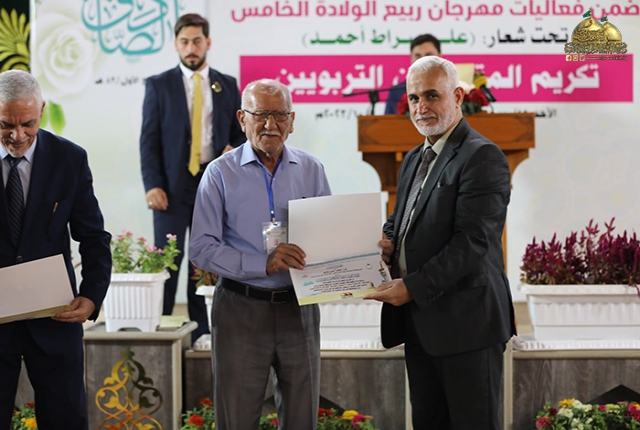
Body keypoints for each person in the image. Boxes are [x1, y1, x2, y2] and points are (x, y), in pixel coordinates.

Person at [365, 56, 516, 429]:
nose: (421, 107)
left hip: (468, 326)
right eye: (414, 98)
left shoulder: (482, 156)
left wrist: (411, 287)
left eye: (432, 95)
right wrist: (388, 242)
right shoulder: (414, 157)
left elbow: (473, 242)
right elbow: (401, 219)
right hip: (421, 326)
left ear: (458, 96)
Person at [190, 79, 331, 430]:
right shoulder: (219, 173)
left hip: (299, 308)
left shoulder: (312, 170)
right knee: (236, 418)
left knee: (302, 419)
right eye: (260, 115)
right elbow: (201, 249)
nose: (270, 124)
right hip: (240, 309)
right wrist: (262, 263)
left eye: (280, 115)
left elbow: (329, 236)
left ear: (292, 120)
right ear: (242, 119)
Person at [0, 70, 111, 429]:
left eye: (28, 124)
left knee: (65, 419)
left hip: (54, 320)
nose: (17, 135)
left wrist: (91, 296)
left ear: (42, 110)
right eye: (5, 125)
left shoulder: (69, 158)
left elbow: (93, 237)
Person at [139, 13, 245, 342]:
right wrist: (152, 185)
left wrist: (234, 147)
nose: (191, 48)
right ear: (175, 44)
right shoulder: (159, 85)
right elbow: (148, 140)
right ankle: (161, 329)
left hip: (212, 183)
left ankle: (202, 332)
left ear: (207, 42)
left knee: (204, 259)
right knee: (167, 261)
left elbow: (240, 132)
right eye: (184, 42)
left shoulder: (227, 84)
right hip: (170, 186)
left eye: (197, 41)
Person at [385, 34, 441, 115]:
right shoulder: (396, 92)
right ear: (411, 58)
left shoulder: (450, 88)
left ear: (439, 57)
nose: (422, 60)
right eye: (418, 56)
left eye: (428, 55)